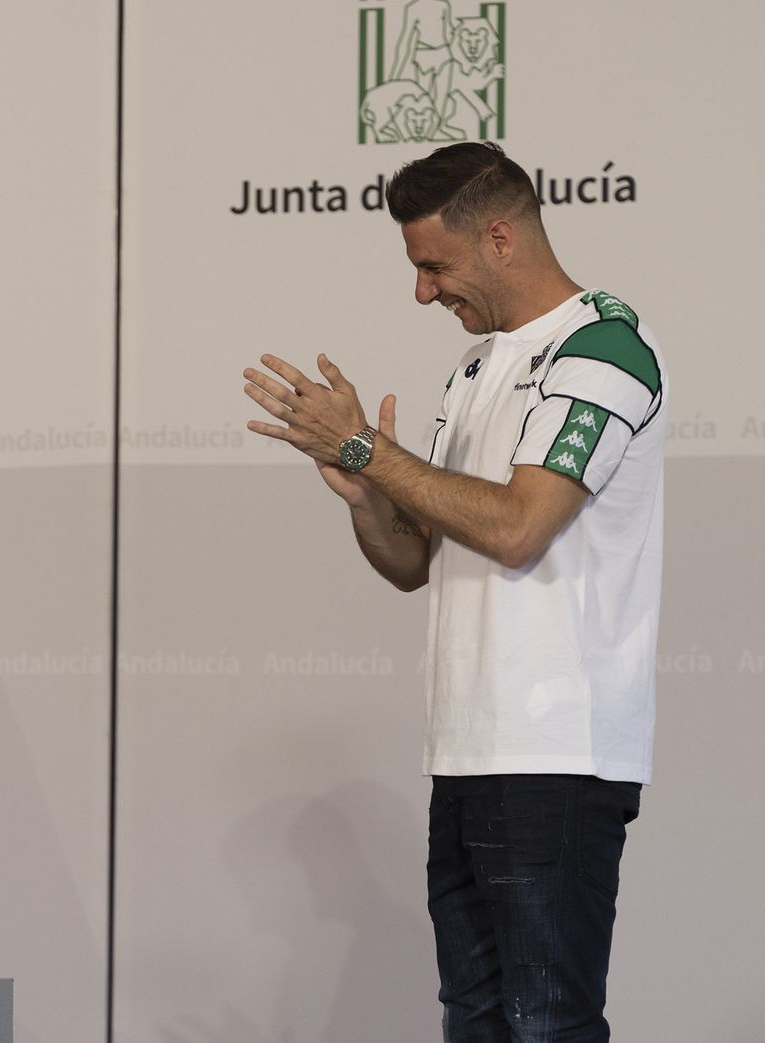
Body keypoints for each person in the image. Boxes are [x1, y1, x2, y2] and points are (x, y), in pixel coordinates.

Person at [244, 142, 666, 1042]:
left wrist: (369, 449)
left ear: (501, 239)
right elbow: (414, 560)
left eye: (434, 266)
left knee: (547, 1023)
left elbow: (517, 527)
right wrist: (366, 493)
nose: (423, 292)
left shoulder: (603, 350)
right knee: (473, 1020)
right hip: (466, 752)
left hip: (557, 753)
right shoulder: (475, 371)